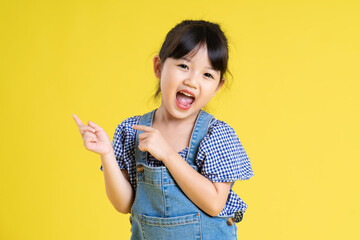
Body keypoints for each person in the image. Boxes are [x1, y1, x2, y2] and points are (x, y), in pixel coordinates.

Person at [73, 19, 254, 240]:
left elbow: (215, 204)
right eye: (184, 66)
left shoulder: (215, 135)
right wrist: (106, 154)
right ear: (158, 66)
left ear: (217, 87)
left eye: (207, 75)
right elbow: (124, 203)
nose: (193, 82)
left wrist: (167, 154)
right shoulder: (132, 131)